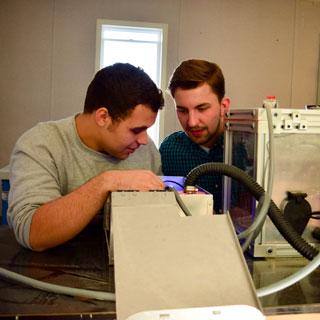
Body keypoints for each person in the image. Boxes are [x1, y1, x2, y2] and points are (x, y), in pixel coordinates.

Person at [8, 63, 165, 251]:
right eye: (136, 130)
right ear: (103, 117)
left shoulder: (146, 152)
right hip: (50, 272)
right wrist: (107, 182)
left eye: (147, 129)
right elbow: (33, 233)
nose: (144, 140)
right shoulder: (40, 144)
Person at [159, 59, 230, 213]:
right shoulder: (169, 150)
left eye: (202, 108)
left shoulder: (245, 148)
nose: (191, 122)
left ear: (223, 106)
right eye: (182, 111)